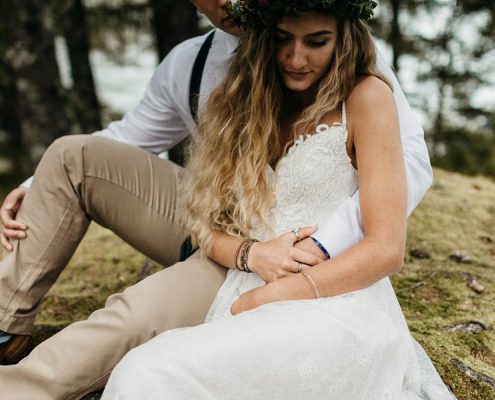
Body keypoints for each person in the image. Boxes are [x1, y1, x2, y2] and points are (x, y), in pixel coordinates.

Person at [0, 0, 432, 398]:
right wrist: (250, 253)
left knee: (139, 338)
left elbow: (406, 174)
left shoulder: (362, 84)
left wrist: (315, 251)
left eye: (315, 42)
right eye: (283, 40)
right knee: (77, 167)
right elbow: (179, 185)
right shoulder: (217, 78)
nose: (297, 58)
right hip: (232, 244)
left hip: (314, 259)